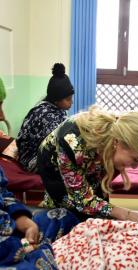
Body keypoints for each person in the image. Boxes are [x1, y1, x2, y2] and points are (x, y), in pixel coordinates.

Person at [37, 105, 138, 223]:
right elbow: (81, 199)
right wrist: (126, 214)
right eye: (136, 159)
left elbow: (98, 197)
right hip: (54, 167)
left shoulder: (115, 140)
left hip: (88, 158)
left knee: (99, 213)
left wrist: (114, 212)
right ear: (118, 142)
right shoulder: (72, 143)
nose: (136, 167)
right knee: (67, 216)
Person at [0, 82, 78, 269]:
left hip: (12, 225)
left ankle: (33, 245)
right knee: (39, 255)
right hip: (5, 239)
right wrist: (24, 243)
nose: (2, 115)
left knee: (65, 217)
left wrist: (24, 221)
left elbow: (3, 194)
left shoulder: (54, 112)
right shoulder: (51, 117)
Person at [16, 63, 74, 172]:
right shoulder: (46, 116)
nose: (72, 102)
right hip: (31, 160)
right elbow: (59, 144)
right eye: (68, 99)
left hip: (42, 153)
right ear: (57, 100)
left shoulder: (56, 109)